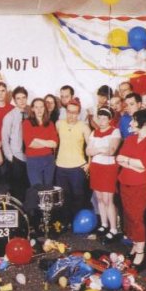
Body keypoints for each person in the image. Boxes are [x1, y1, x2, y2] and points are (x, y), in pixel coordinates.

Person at [116, 109, 146, 269]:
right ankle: (135, 244)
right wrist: (134, 164)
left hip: (141, 185)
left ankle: (140, 250)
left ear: (144, 123)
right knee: (128, 216)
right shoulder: (130, 139)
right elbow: (119, 158)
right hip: (125, 182)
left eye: (134, 120)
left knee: (137, 217)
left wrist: (129, 162)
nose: (131, 123)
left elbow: (145, 164)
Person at [86, 107, 121, 243]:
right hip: (96, 167)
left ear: (110, 119)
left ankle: (113, 229)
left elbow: (111, 151)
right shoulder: (94, 132)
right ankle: (104, 224)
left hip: (108, 168)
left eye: (104, 118)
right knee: (99, 198)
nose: (101, 121)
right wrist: (101, 149)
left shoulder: (115, 131)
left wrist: (96, 149)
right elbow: (88, 151)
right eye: (99, 118)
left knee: (108, 200)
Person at [56, 98, 91, 228]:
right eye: (69, 112)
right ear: (66, 111)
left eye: (74, 113)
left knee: (78, 196)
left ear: (79, 113)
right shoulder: (59, 124)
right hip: (61, 166)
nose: (71, 115)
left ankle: (77, 222)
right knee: (63, 197)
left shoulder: (84, 126)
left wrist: (89, 163)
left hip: (77, 167)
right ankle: (65, 223)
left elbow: (91, 147)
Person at [2, 86, 30, 202]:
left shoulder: (31, 114)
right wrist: (11, 157)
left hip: (30, 157)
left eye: (24, 98)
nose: (22, 101)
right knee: (17, 190)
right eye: (18, 98)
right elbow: (4, 138)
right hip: (16, 157)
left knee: (29, 188)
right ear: (14, 100)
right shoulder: (9, 116)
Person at [22, 98, 58, 187]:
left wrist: (37, 140)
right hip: (33, 160)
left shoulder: (50, 123)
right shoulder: (27, 123)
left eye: (41, 107)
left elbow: (54, 144)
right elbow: (29, 144)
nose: (39, 110)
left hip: (49, 160)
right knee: (37, 188)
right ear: (32, 109)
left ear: (45, 108)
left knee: (48, 187)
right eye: (36, 107)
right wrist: (47, 143)